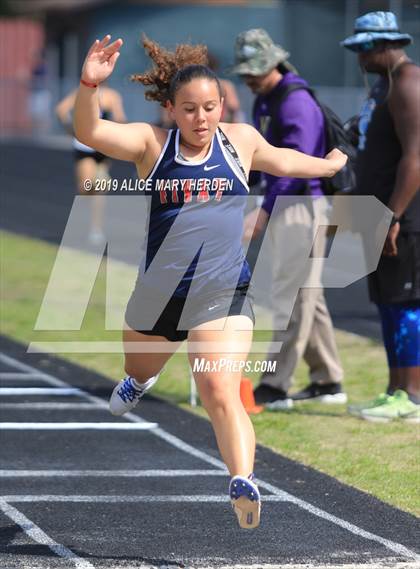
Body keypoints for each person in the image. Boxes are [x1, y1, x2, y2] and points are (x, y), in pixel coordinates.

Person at [73, 33, 347, 528]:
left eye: (210, 107)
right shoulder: (150, 144)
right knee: (137, 366)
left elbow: (283, 160)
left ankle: (242, 479)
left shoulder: (239, 141)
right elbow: (91, 132)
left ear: (222, 106)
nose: (201, 118)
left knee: (220, 388)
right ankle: (140, 379)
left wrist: (327, 165)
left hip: (222, 291)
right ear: (172, 111)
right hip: (160, 293)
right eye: (190, 109)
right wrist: (90, 84)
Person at [231, 29, 346, 410]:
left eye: (254, 72)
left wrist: (263, 211)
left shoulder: (294, 102)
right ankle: (328, 380)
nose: (248, 79)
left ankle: (276, 386)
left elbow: (293, 166)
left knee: (293, 297)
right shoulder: (266, 98)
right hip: (285, 204)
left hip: (302, 205)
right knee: (308, 297)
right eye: (245, 73)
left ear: (274, 64)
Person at [341, 11, 420, 423]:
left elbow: (415, 157)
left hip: (404, 221)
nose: (359, 57)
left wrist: (394, 216)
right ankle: (394, 391)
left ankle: (413, 395)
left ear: (385, 45)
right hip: (379, 215)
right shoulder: (382, 86)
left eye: (364, 49)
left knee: (407, 304)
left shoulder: (408, 83)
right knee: (388, 304)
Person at [56, 83, 126, 244]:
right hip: (84, 148)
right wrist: (72, 130)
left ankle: (96, 229)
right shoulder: (80, 93)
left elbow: (120, 119)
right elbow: (61, 110)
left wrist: (118, 136)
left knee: (100, 188)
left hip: (103, 148)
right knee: (86, 186)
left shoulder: (112, 96)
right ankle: (84, 216)